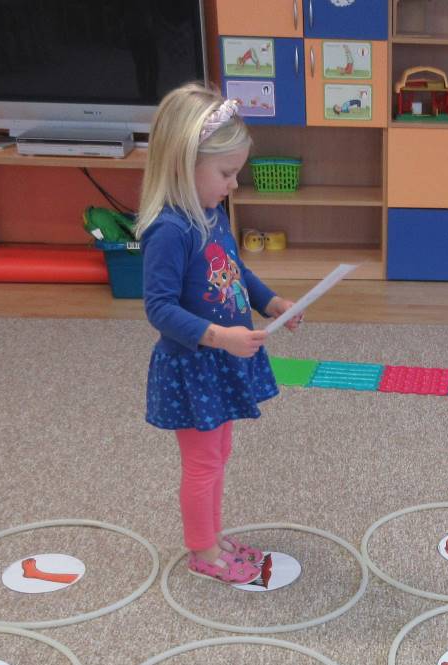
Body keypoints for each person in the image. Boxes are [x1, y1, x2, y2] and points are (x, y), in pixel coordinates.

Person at [136, 84, 301, 584]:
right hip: (194, 365)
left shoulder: (211, 214)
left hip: (220, 360)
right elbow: (159, 308)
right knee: (203, 462)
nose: (234, 184)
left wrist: (270, 302)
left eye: (236, 173)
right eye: (225, 173)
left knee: (218, 454)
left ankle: (211, 535)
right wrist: (219, 336)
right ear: (183, 165)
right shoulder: (170, 229)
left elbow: (235, 271)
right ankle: (202, 551)